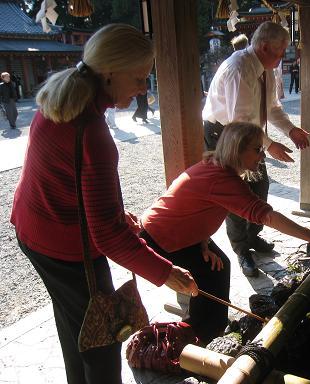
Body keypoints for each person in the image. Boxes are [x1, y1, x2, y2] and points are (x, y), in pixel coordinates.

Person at [10, 24, 198, 384]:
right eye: (140, 77)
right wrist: (165, 273)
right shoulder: (93, 133)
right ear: (110, 71)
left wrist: (109, 212)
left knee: (77, 324)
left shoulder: (62, 97)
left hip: (34, 228)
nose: (145, 88)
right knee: (101, 338)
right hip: (62, 246)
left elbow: (64, 180)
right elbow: (108, 237)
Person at [139, 122, 310, 340]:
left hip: (180, 232)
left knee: (218, 265)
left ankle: (210, 327)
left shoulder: (217, 166)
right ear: (237, 149)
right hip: (159, 237)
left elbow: (194, 210)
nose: (262, 155)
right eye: (257, 150)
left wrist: (203, 243)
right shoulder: (221, 178)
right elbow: (266, 215)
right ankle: (200, 335)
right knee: (208, 273)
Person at [202, 21, 310, 277]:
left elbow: (271, 108)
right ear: (263, 47)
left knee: (260, 187)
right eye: (280, 51)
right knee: (236, 193)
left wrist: (291, 130)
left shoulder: (266, 68)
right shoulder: (240, 69)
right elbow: (242, 123)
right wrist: (269, 146)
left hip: (249, 134)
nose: (283, 56)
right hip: (223, 133)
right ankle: (242, 250)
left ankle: (252, 237)